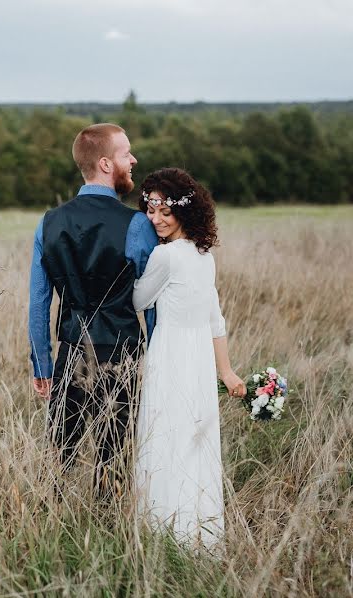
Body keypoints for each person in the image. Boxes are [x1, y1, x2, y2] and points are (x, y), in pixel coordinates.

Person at [28, 123, 158, 499]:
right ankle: (111, 536)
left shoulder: (48, 222)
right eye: (125, 154)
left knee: (58, 459)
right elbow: (151, 306)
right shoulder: (137, 225)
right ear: (105, 163)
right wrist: (159, 357)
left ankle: (51, 528)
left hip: (70, 353)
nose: (133, 160)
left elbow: (39, 301)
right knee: (113, 461)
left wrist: (42, 365)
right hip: (123, 356)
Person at [132, 167, 246, 550]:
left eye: (165, 212)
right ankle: (199, 533)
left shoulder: (165, 256)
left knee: (167, 436)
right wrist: (226, 371)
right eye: (151, 210)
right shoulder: (204, 255)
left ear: (185, 211)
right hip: (198, 359)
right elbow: (216, 319)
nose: (156, 220)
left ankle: (164, 530)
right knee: (194, 440)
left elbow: (138, 300)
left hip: (172, 355)